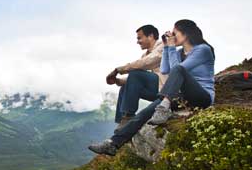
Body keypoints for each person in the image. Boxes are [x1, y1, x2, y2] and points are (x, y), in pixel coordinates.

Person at [89, 19, 215, 156]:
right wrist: (168, 47)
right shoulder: (178, 53)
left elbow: (176, 70)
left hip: (202, 96)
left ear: (186, 34)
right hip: (182, 96)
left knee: (175, 76)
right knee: (143, 114)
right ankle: (113, 143)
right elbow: (165, 69)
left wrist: (170, 47)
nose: (172, 35)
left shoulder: (203, 50)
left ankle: (163, 107)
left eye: (175, 32)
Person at [106, 25, 165, 128]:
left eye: (139, 38)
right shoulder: (145, 55)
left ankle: (129, 115)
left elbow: (147, 62)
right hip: (155, 89)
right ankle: (123, 121)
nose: (138, 41)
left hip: (164, 88)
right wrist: (117, 81)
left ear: (150, 36)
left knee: (135, 73)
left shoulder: (162, 47)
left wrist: (118, 70)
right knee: (126, 85)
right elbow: (135, 81)